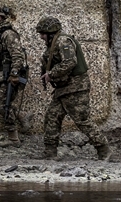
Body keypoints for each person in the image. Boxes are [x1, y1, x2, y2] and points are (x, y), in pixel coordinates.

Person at [36, 16, 111, 160]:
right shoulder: (54, 43)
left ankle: (104, 149)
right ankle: (50, 153)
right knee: (51, 117)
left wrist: (51, 74)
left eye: (43, 34)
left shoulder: (63, 41)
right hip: (63, 89)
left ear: (50, 32)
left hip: (76, 88)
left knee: (82, 120)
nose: (41, 37)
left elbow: (70, 62)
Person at [0, 6, 28, 146]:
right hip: (0, 75)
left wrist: (14, 74)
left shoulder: (8, 34)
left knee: (4, 106)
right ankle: (22, 116)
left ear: (0, 18)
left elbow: (18, 55)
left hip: (8, 75)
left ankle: (13, 138)